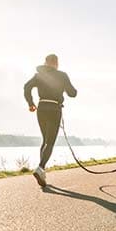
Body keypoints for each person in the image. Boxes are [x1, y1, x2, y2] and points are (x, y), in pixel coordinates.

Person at [24, 54, 77, 186]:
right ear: (56, 63)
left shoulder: (38, 75)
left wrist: (30, 103)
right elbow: (72, 93)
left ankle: (42, 172)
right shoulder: (62, 75)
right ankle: (40, 167)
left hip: (41, 108)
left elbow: (27, 87)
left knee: (45, 140)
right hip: (54, 108)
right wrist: (66, 87)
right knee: (50, 142)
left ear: (45, 62)